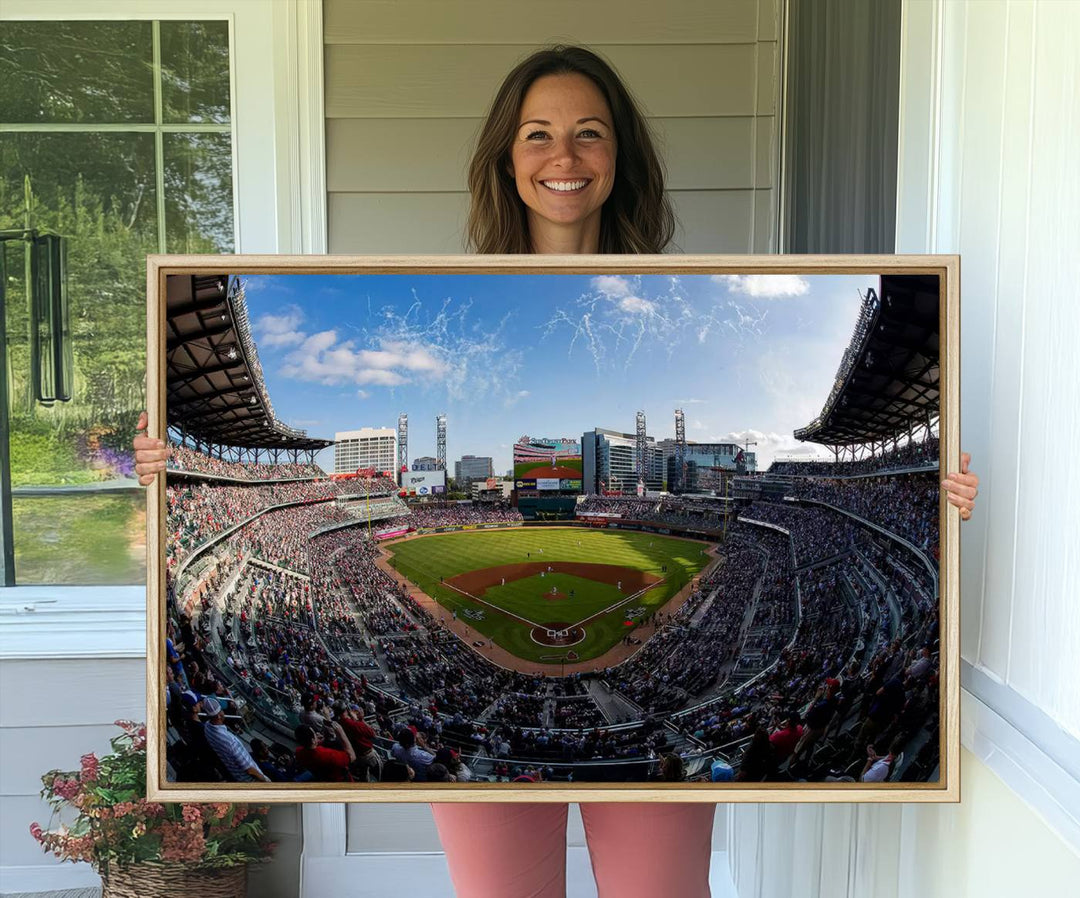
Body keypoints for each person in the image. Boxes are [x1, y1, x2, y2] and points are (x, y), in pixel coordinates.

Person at [135, 42, 981, 898]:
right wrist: (172, 467)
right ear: (507, 157)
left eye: (589, 133)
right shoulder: (449, 292)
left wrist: (935, 491)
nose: (563, 156)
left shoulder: (683, 292)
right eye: (537, 134)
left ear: (621, 157)